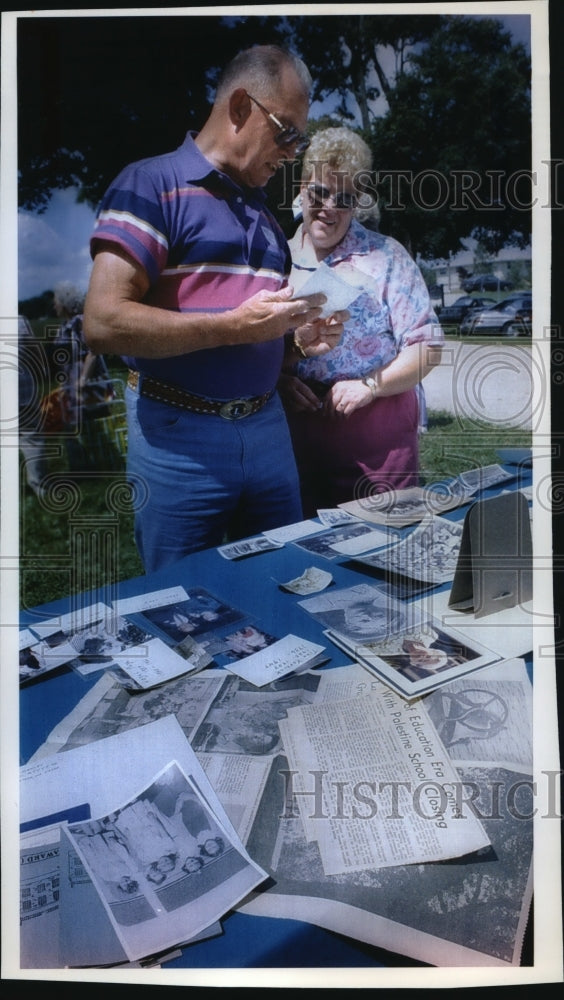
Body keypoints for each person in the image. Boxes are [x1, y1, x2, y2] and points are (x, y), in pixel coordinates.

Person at [83, 45, 347, 573]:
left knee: (287, 579)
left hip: (268, 429)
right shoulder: (150, 185)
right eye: (288, 131)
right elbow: (103, 321)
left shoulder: (269, 220)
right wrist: (233, 327)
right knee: (184, 606)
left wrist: (294, 345)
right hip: (179, 440)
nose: (293, 152)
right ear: (242, 106)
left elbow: (255, 335)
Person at [279, 127, 444, 517]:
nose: (329, 208)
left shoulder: (387, 256)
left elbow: (428, 348)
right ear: (301, 188)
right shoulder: (276, 258)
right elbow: (255, 347)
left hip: (381, 447)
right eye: (319, 192)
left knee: (384, 554)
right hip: (296, 443)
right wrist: (280, 380)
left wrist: (370, 386)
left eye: (345, 198)